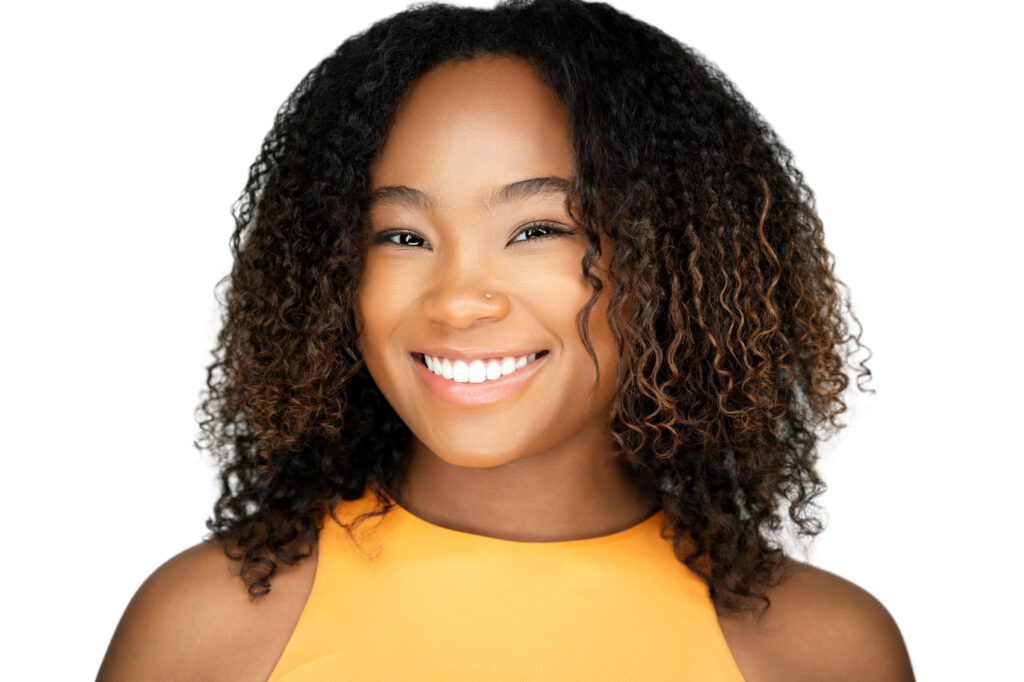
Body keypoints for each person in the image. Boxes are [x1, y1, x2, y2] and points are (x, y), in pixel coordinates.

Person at [98, 1, 914, 680]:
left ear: (677, 255)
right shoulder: (205, 632)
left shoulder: (823, 650)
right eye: (402, 236)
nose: (457, 300)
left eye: (536, 229)